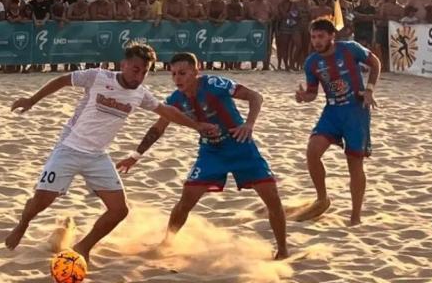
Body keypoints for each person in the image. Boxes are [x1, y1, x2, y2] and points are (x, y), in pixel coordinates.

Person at [4, 43, 219, 263]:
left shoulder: (140, 94)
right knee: (41, 200)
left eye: (145, 72)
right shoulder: (98, 76)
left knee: (119, 210)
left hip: (97, 156)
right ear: (123, 64)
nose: (139, 76)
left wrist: (198, 126)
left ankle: (83, 247)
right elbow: (62, 80)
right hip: (69, 148)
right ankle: (22, 225)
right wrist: (31, 100)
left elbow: (168, 111)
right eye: (135, 69)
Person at [116, 52, 288, 260]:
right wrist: (135, 156)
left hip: (241, 148)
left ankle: (283, 249)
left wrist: (249, 124)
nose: (177, 79)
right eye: (173, 74)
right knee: (186, 200)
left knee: (272, 197)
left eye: (182, 73)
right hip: (211, 153)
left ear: (196, 72)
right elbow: (158, 128)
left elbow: (255, 96)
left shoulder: (213, 84)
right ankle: (166, 243)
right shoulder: (176, 99)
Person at [294, 18, 381, 226]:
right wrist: (303, 97)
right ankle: (322, 198)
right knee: (312, 151)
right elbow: (313, 93)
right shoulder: (312, 62)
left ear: (332, 36)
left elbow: (375, 63)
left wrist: (369, 89)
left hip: (355, 112)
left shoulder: (350, 49)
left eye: (321, 36)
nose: (316, 41)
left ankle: (355, 216)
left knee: (354, 164)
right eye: (313, 37)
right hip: (331, 111)